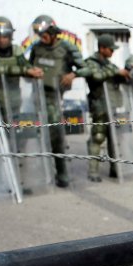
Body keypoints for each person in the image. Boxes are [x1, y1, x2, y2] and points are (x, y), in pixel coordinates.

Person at [29, 14, 92, 188]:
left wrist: (73, 74)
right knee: (35, 135)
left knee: (56, 135)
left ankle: (61, 171)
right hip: (36, 97)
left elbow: (86, 69)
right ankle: (39, 173)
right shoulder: (36, 48)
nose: (42, 37)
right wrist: (30, 71)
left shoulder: (66, 47)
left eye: (44, 33)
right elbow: (28, 66)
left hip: (54, 98)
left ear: (52, 31)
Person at [84, 34, 130, 182]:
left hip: (113, 106)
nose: (112, 52)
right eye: (110, 49)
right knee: (97, 138)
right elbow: (97, 76)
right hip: (100, 107)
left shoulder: (110, 64)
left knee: (115, 138)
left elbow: (118, 77)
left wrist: (126, 73)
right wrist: (116, 72)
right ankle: (93, 171)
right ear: (102, 48)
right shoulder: (91, 63)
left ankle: (115, 169)